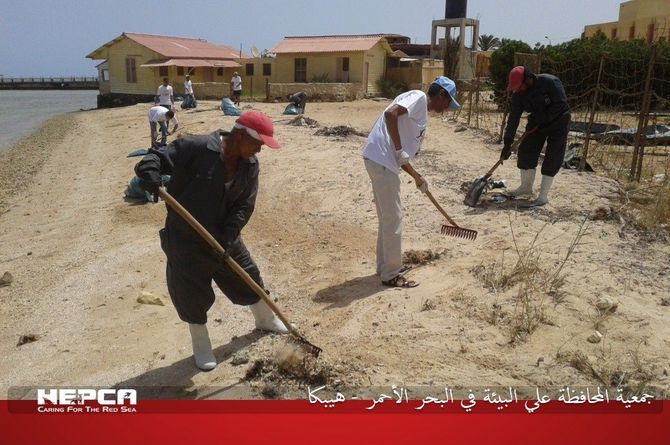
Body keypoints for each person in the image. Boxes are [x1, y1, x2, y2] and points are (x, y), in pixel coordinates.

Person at [134, 111, 287, 371]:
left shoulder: (250, 166)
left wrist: (228, 237)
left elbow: (243, 205)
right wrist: (149, 170)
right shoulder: (196, 147)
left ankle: (265, 319)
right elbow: (157, 157)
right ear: (239, 136)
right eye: (258, 143)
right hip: (186, 236)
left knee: (247, 275)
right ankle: (201, 343)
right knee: (190, 291)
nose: (260, 150)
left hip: (224, 234)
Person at [361, 76, 460, 288]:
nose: (447, 108)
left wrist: (417, 177)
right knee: (393, 218)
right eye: (448, 102)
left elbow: (401, 155)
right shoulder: (418, 98)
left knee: (387, 218)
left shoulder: (420, 110)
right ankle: (391, 274)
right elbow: (390, 115)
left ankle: (384, 267)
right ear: (441, 94)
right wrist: (397, 150)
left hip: (380, 160)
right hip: (381, 161)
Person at [501, 66, 571, 207]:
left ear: (529, 78)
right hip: (537, 123)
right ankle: (526, 188)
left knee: (553, 157)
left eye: (519, 86)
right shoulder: (518, 95)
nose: (518, 90)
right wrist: (507, 143)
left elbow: (560, 104)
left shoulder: (550, 82)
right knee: (526, 150)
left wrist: (542, 117)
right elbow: (513, 118)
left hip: (559, 122)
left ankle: (543, 196)